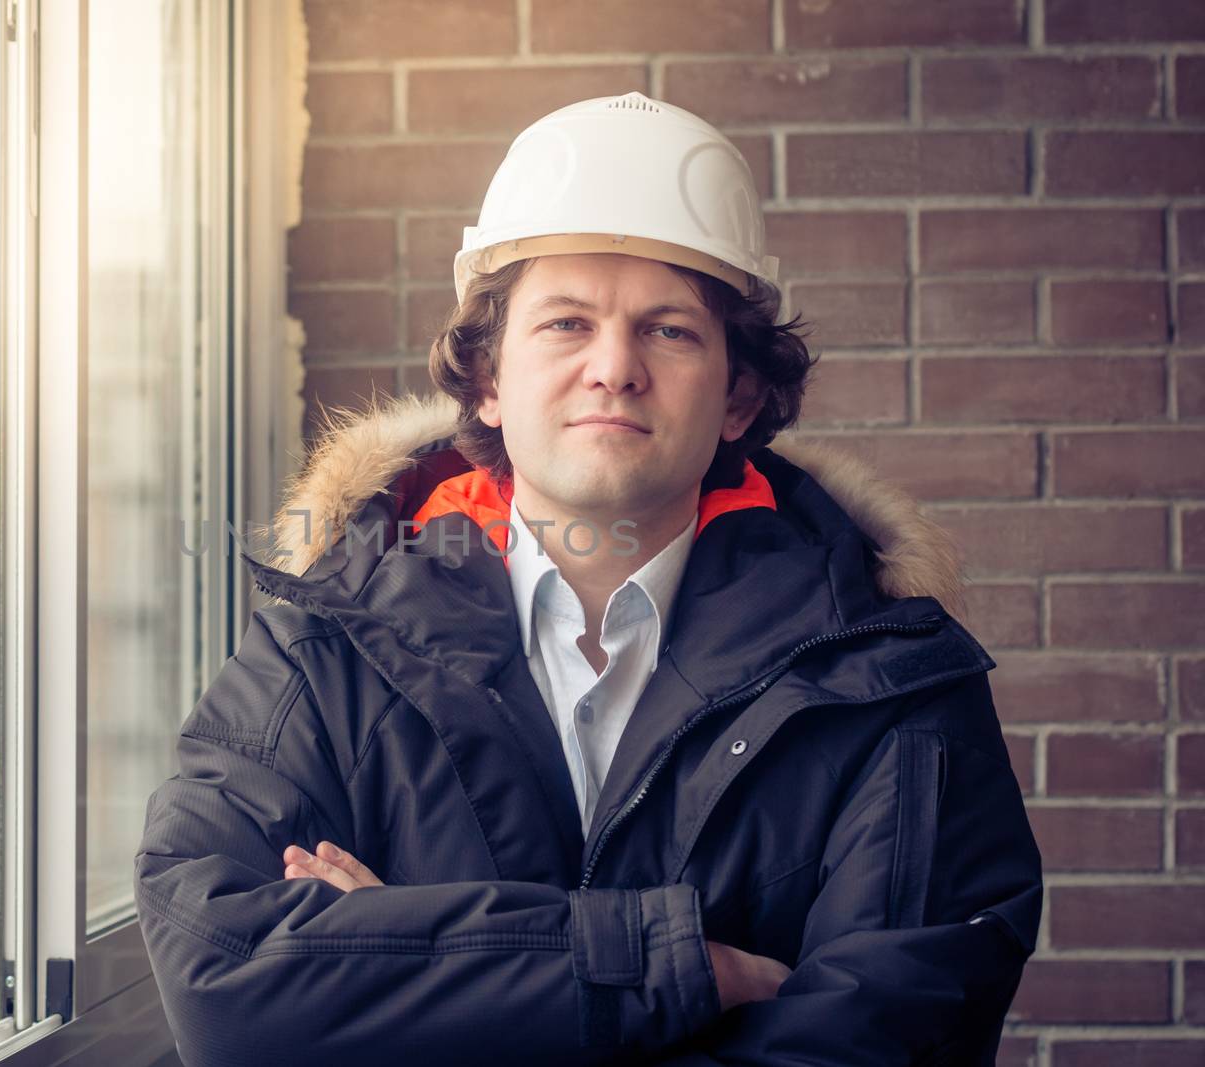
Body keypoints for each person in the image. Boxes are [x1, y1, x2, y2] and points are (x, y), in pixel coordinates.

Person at [135, 92, 1041, 1066]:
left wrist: (417, 966)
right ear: (486, 378)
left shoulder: (890, 676)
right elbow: (226, 997)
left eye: (669, 331)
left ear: (738, 394)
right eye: (566, 323)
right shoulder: (318, 649)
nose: (613, 367)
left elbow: (885, 1048)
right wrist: (686, 968)